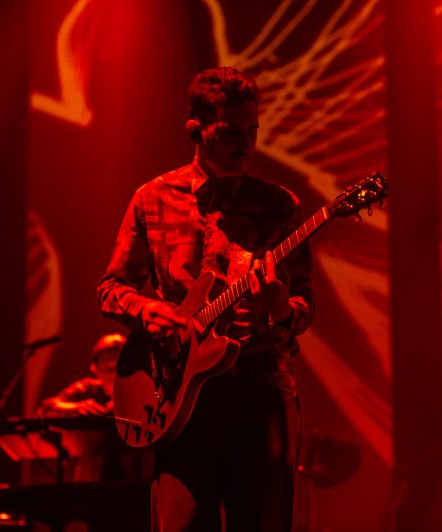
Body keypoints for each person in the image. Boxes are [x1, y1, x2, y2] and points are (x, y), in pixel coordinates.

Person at [98, 66, 315, 531]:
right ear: (196, 129)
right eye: (231, 132)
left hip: (260, 388)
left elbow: (304, 303)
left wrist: (281, 309)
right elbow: (111, 289)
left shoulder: (280, 206)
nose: (245, 144)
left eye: (252, 132)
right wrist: (148, 310)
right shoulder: (152, 198)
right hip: (178, 399)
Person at [36, 333, 125, 417]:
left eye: (118, 364)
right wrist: (77, 407)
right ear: (94, 368)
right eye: (106, 364)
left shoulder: (133, 392)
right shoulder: (85, 389)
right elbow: (45, 409)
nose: (112, 372)